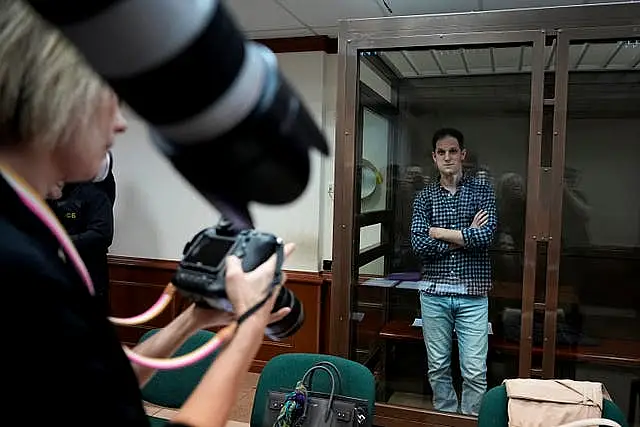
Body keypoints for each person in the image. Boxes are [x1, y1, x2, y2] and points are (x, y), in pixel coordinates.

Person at [0, 1, 293, 426]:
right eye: (112, 98)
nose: (120, 124)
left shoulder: (23, 232)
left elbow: (97, 392)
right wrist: (250, 324)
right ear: (60, 97)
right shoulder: (18, 266)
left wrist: (194, 320)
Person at [410, 128, 497, 416]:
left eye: (453, 151)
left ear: (463, 154)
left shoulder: (482, 191)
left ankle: (470, 422)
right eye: (441, 152)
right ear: (434, 157)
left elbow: (485, 237)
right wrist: (464, 235)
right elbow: (420, 245)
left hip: (473, 294)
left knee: (474, 371)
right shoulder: (424, 198)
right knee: (438, 368)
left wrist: (440, 232)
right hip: (434, 293)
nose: (448, 157)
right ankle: (445, 421)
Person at [47, 180, 116, 312]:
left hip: (88, 278)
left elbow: (102, 234)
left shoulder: (94, 194)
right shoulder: (47, 194)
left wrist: (63, 242)